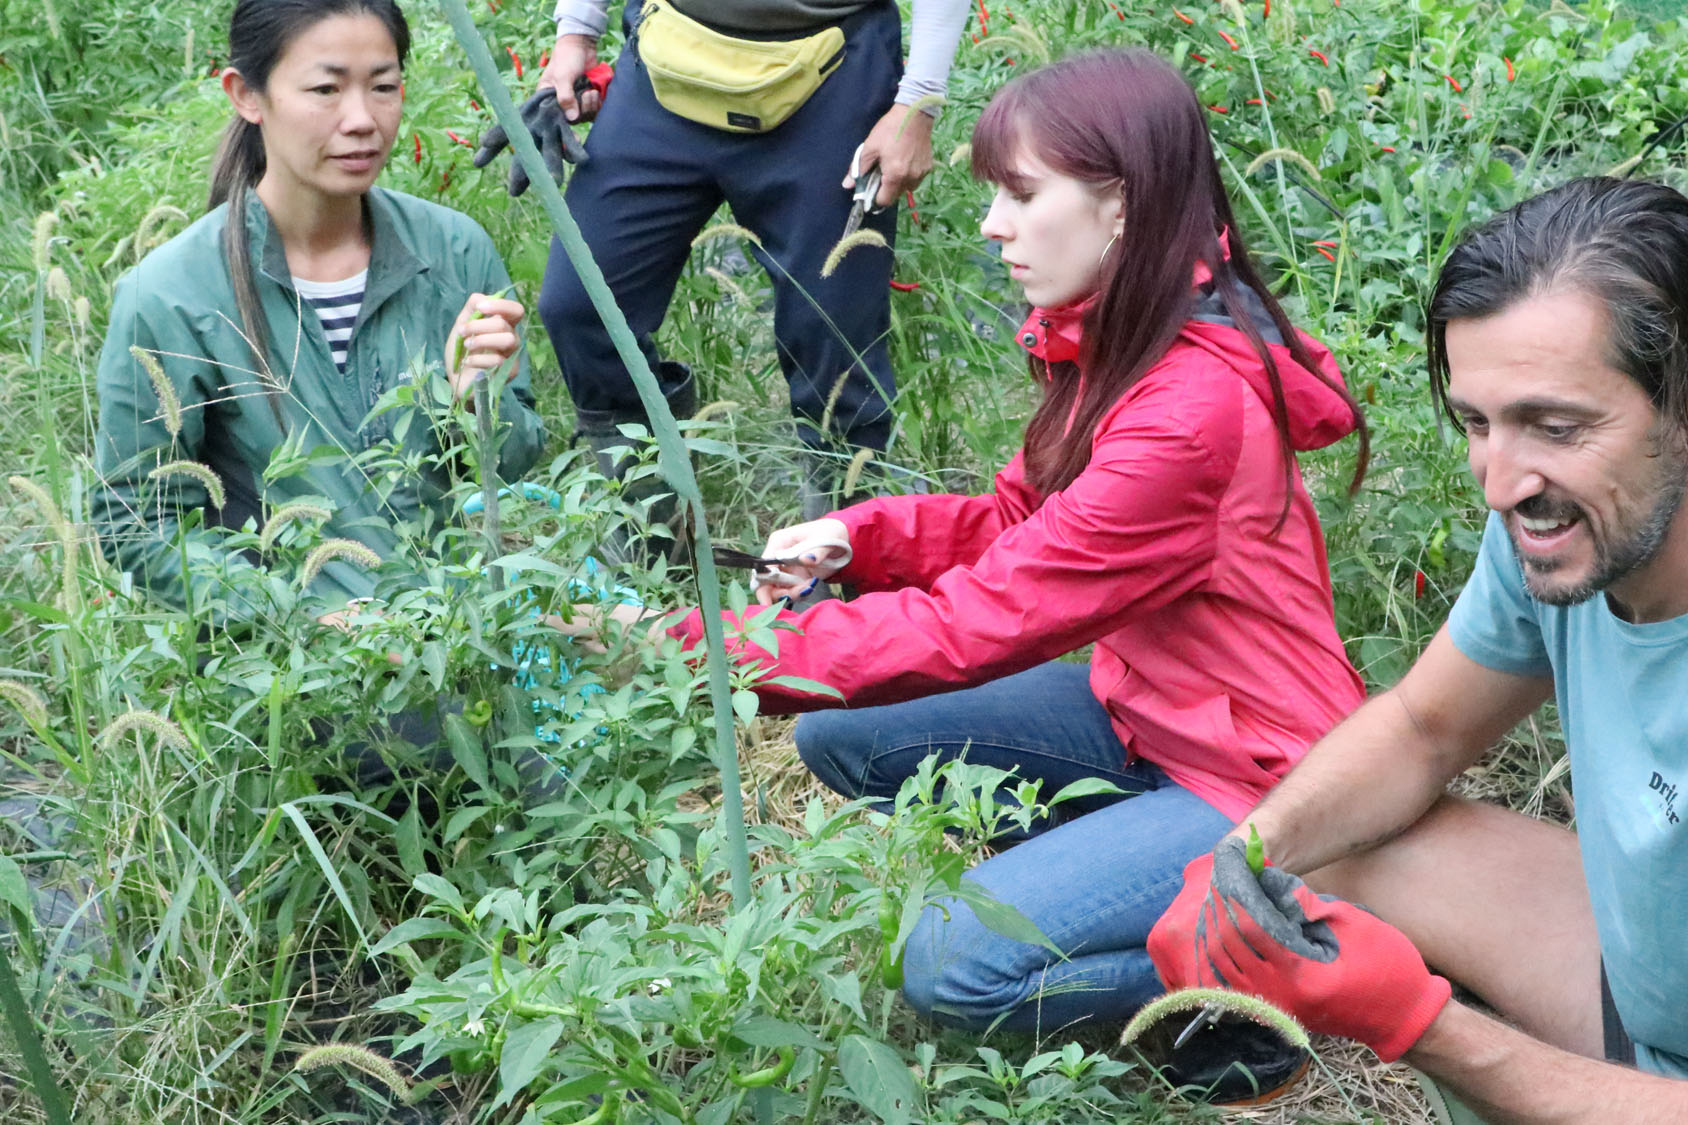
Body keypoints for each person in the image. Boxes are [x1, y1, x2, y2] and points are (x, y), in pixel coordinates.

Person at [557, 48, 1370, 1100]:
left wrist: (688, 647)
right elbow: (1014, 523)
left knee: (950, 964)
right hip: (1149, 709)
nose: (992, 222)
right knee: (837, 736)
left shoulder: (1187, 410)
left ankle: (1295, 947)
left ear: (1120, 207)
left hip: (1256, 768)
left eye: (1022, 193)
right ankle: (1147, 873)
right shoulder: (1122, 337)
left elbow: (978, 625)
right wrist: (857, 536)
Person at [1148, 177, 1688, 1123]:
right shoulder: (1583, 512)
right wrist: (1244, 854)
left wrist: (1418, 1021)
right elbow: (1424, 730)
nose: (1502, 482)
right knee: (1336, 851)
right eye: (1478, 421)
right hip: (1674, 982)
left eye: (1558, 426)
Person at [92, 0, 544, 628]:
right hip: (286, 687)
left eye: (383, 87)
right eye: (326, 89)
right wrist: (304, 618)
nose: (362, 120)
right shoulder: (169, 295)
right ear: (246, 95)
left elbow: (517, 460)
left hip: (457, 647)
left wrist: (474, 407)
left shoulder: (452, 250)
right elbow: (133, 523)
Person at [511, 0, 970, 558]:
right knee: (580, 305)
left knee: (833, 340)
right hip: (667, 66)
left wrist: (917, 99)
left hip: (832, 74)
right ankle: (650, 536)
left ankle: (837, 570)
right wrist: (576, 33)